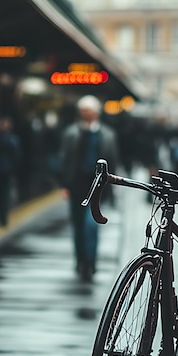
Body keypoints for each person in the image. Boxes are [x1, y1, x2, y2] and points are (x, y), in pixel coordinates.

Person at [59, 95, 119, 281]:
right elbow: (65, 160)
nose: (86, 114)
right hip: (77, 185)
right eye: (83, 111)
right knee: (78, 226)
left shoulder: (108, 135)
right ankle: (80, 261)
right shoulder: (70, 134)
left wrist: (112, 188)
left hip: (97, 187)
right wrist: (64, 185)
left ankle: (91, 262)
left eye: (89, 111)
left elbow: (114, 161)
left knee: (91, 225)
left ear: (96, 112)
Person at [0, 117, 21, 226]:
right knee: (5, 193)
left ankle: (1, 215)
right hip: (7, 171)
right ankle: (4, 216)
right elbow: (17, 156)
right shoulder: (13, 140)